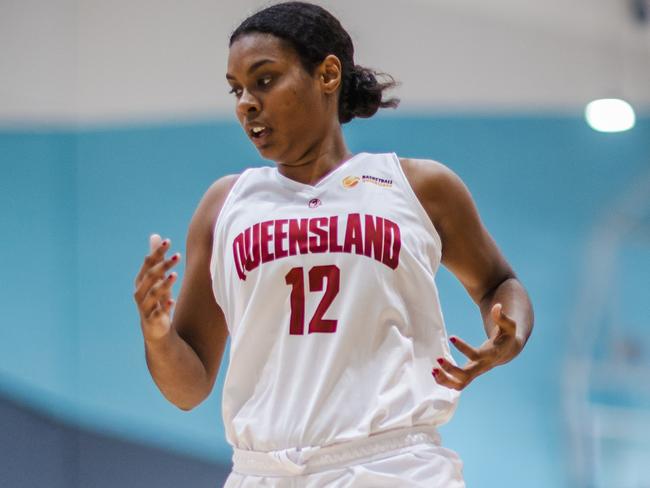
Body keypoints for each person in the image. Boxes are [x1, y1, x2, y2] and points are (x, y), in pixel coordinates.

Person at [133, 2, 534, 486]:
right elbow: (188, 387)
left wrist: (509, 336)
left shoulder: (418, 186)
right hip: (263, 471)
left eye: (264, 80)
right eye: (236, 89)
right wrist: (157, 337)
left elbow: (498, 282)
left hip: (392, 465)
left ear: (326, 74)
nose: (246, 103)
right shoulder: (225, 205)